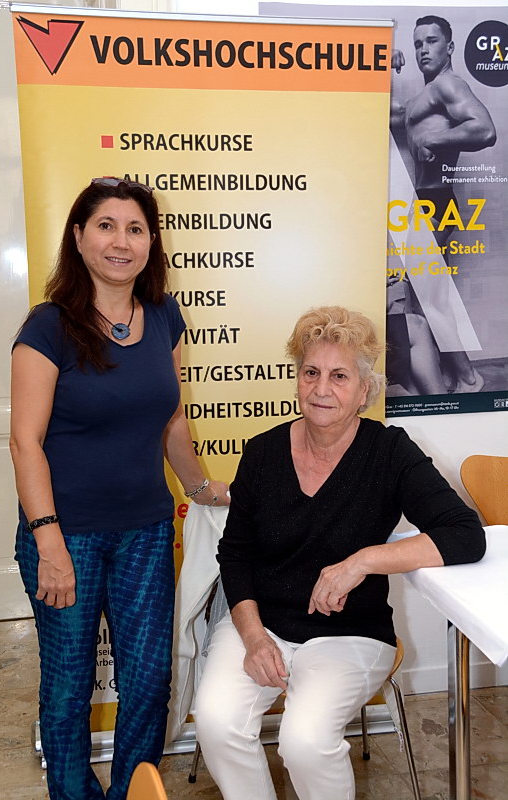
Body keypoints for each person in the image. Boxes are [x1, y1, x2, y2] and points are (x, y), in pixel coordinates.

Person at [194, 306, 485, 800]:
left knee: (305, 742)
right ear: (297, 379)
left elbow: (464, 534)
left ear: (364, 390)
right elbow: (235, 555)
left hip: (351, 633)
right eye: (311, 372)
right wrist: (253, 637)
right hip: (261, 624)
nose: (321, 389)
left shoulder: (390, 452)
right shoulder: (262, 452)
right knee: (216, 722)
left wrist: (362, 561)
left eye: (339, 376)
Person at [9, 177, 229, 800]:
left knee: (149, 681)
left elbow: (172, 418)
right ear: (79, 237)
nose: (121, 242)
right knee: (68, 687)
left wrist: (200, 487)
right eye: (106, 226)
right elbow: (25, 443)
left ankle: (136, 791)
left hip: (146, 532)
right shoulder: (48, 327)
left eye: (135, 229)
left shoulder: (164, 317)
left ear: (151, 243)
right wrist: (48, 542)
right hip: (66, 536)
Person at [390, 15, 496, 394]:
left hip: (435, 202)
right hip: (424, 202)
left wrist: (434, 141)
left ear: (449, 47)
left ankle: (468, 378)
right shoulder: (424, 97)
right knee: (428, 299)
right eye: (418, 43)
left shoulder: (449, 85)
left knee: (427, 302)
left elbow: (485, 129)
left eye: (432, 41)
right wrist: (381, 59)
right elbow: (379, 111)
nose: (423, 50)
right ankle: (451, 376)